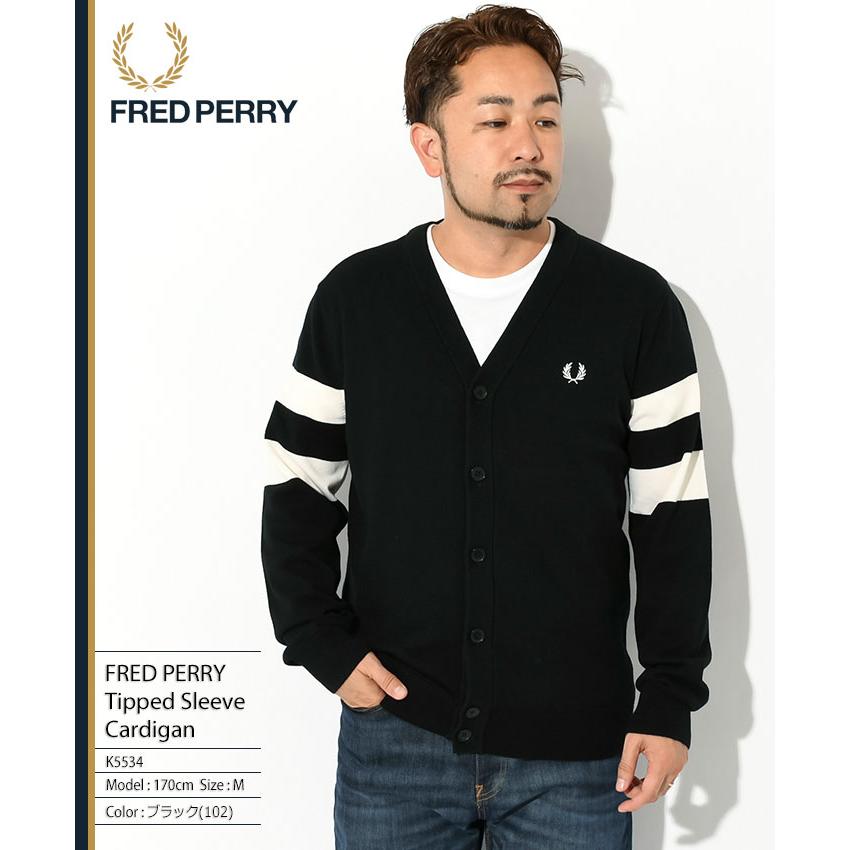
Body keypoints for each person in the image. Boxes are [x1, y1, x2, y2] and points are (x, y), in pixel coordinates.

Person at [260, 5, 713, 848]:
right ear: (429, 147)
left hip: (580, 757)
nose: (528, 146)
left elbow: (672, 517)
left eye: (547, 118)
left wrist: (670, 698)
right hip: (396, 740)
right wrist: (319, 643)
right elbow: (298, 485)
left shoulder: (634, 307)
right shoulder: (357, 301)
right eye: (495, 121)